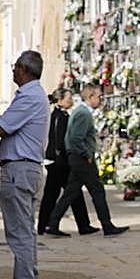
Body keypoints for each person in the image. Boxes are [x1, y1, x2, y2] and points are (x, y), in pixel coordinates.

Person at [0, 51, 50, 279]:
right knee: (25, 230)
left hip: (19, 169)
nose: (13, 70)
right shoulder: (34, 95)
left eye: (15, 67)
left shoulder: (30, 96)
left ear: (25, 69)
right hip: (25, 169)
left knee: (19, 232)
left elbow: (2, 127)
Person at [45, 84, 128, 238]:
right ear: (90, 97)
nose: (100, 99)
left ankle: (53, 222)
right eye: (98, 96)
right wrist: (86, 153)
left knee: (71, 192)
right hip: (81, 158)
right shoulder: (83, 113)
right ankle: (107, 225)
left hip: (77, 158)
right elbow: (76, 138)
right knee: (97, 190)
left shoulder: (80, 112)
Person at [38, 89, 95, 236]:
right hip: (60, 163)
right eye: (69, 98)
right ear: (60, 100)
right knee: (72, 193)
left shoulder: (58, 115)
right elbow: (59, 141)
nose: (71, 100)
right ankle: (78, 225)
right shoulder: (59, 117)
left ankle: (44, 225)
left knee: (52, 195)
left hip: (55, 162)